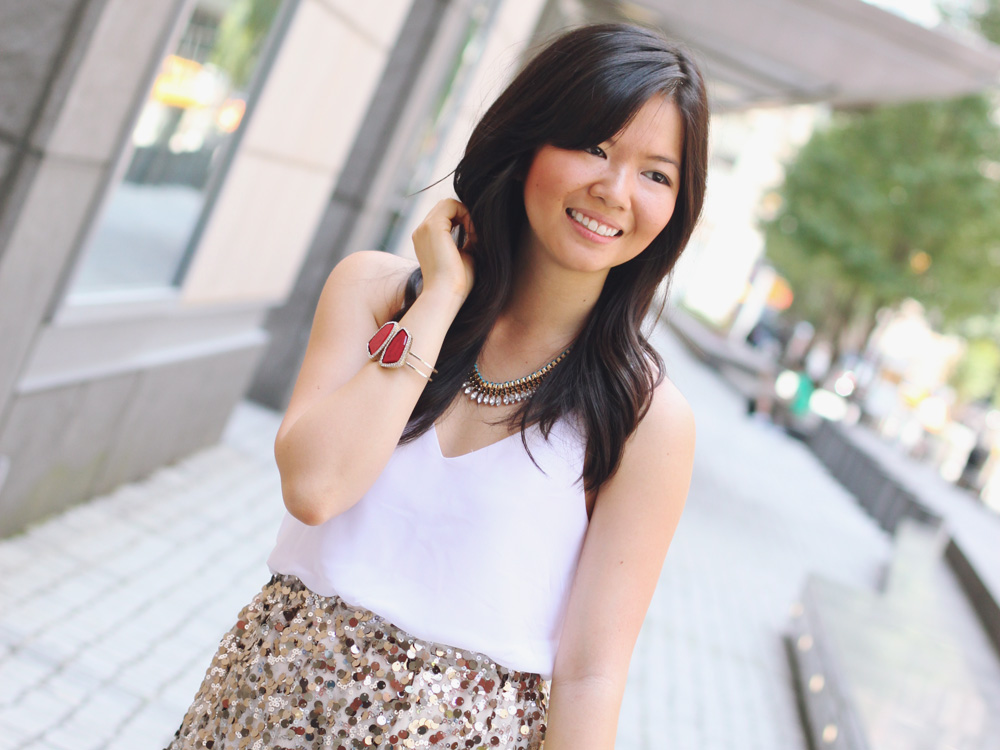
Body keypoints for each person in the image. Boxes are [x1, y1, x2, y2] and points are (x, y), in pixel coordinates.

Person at [166, 22, 706, 750]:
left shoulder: (645, 419)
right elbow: (315, 487)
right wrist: (443, 296)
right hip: (256, 716)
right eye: (594, 147)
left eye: (656, 175)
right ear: (529, 142)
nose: (614, 191)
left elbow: (590, 677)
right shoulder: (376, 295)